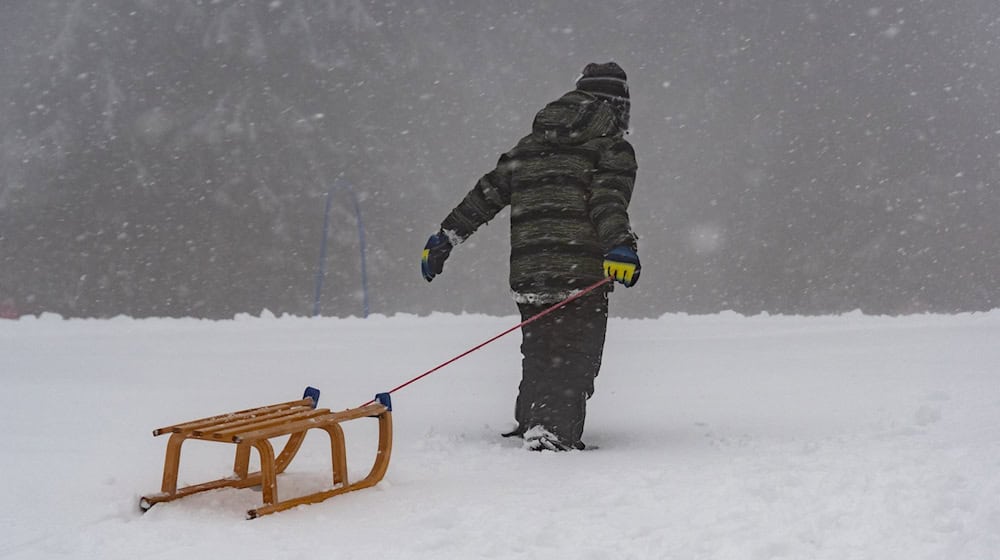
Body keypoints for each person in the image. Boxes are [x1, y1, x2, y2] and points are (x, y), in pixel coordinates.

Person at [421, 62, 640, 451]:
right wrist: (619, 244)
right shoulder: (610, 146)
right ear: (616, 105)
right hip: (579, 274)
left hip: (530, 273)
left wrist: (446, 236)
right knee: (575, 356)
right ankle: (551, 433)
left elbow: (486, 194)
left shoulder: (531, 145)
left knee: (541, 351)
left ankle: (533, 420)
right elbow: (607, 200)